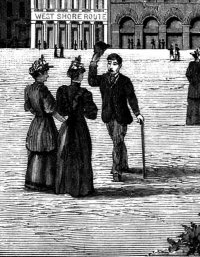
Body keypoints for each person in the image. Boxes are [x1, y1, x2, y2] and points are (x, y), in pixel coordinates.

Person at [88, 41, 143, 182]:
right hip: (108, 116)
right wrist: (94, 62)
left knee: (117, 142)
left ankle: (116, 171)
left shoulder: (125, 81)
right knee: (117, 141)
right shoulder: (103, 79)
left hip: (121, 116)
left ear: (120, 66)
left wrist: (137, 113)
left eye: (114, 64)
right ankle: (123, 164)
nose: (111, 67)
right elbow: (91, 81)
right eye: (109, 63)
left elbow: (131, 98)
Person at [55, 56, 98, 197]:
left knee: (64, 155)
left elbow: (60, 110)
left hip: (66, 128)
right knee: (81, 155)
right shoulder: (85, 93)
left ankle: (64, 187)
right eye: (82, 74)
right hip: (79, 128)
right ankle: (81, 188)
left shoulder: (61, 90)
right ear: (80, 75)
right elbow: (92, 114)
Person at [24, 55, 58, 192]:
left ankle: (32, 182)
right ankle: (46, 183)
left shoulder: (28, 89)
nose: (48, 76)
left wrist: (38, 113)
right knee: (47, 150)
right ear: (40, 74)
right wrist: (65, 121)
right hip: (45, 124)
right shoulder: (43, 90)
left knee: (35, 150)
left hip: (36, 123)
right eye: (46, 73)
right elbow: (51, 110)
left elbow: (28, 107)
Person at [185, 48, 200, 125]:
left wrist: (191, 81)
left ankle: (191, 120)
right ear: (198, 56)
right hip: (198, 85)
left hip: (192, 85)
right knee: (199, 101)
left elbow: (188, 74)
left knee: (192, 101)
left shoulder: (191, 64)